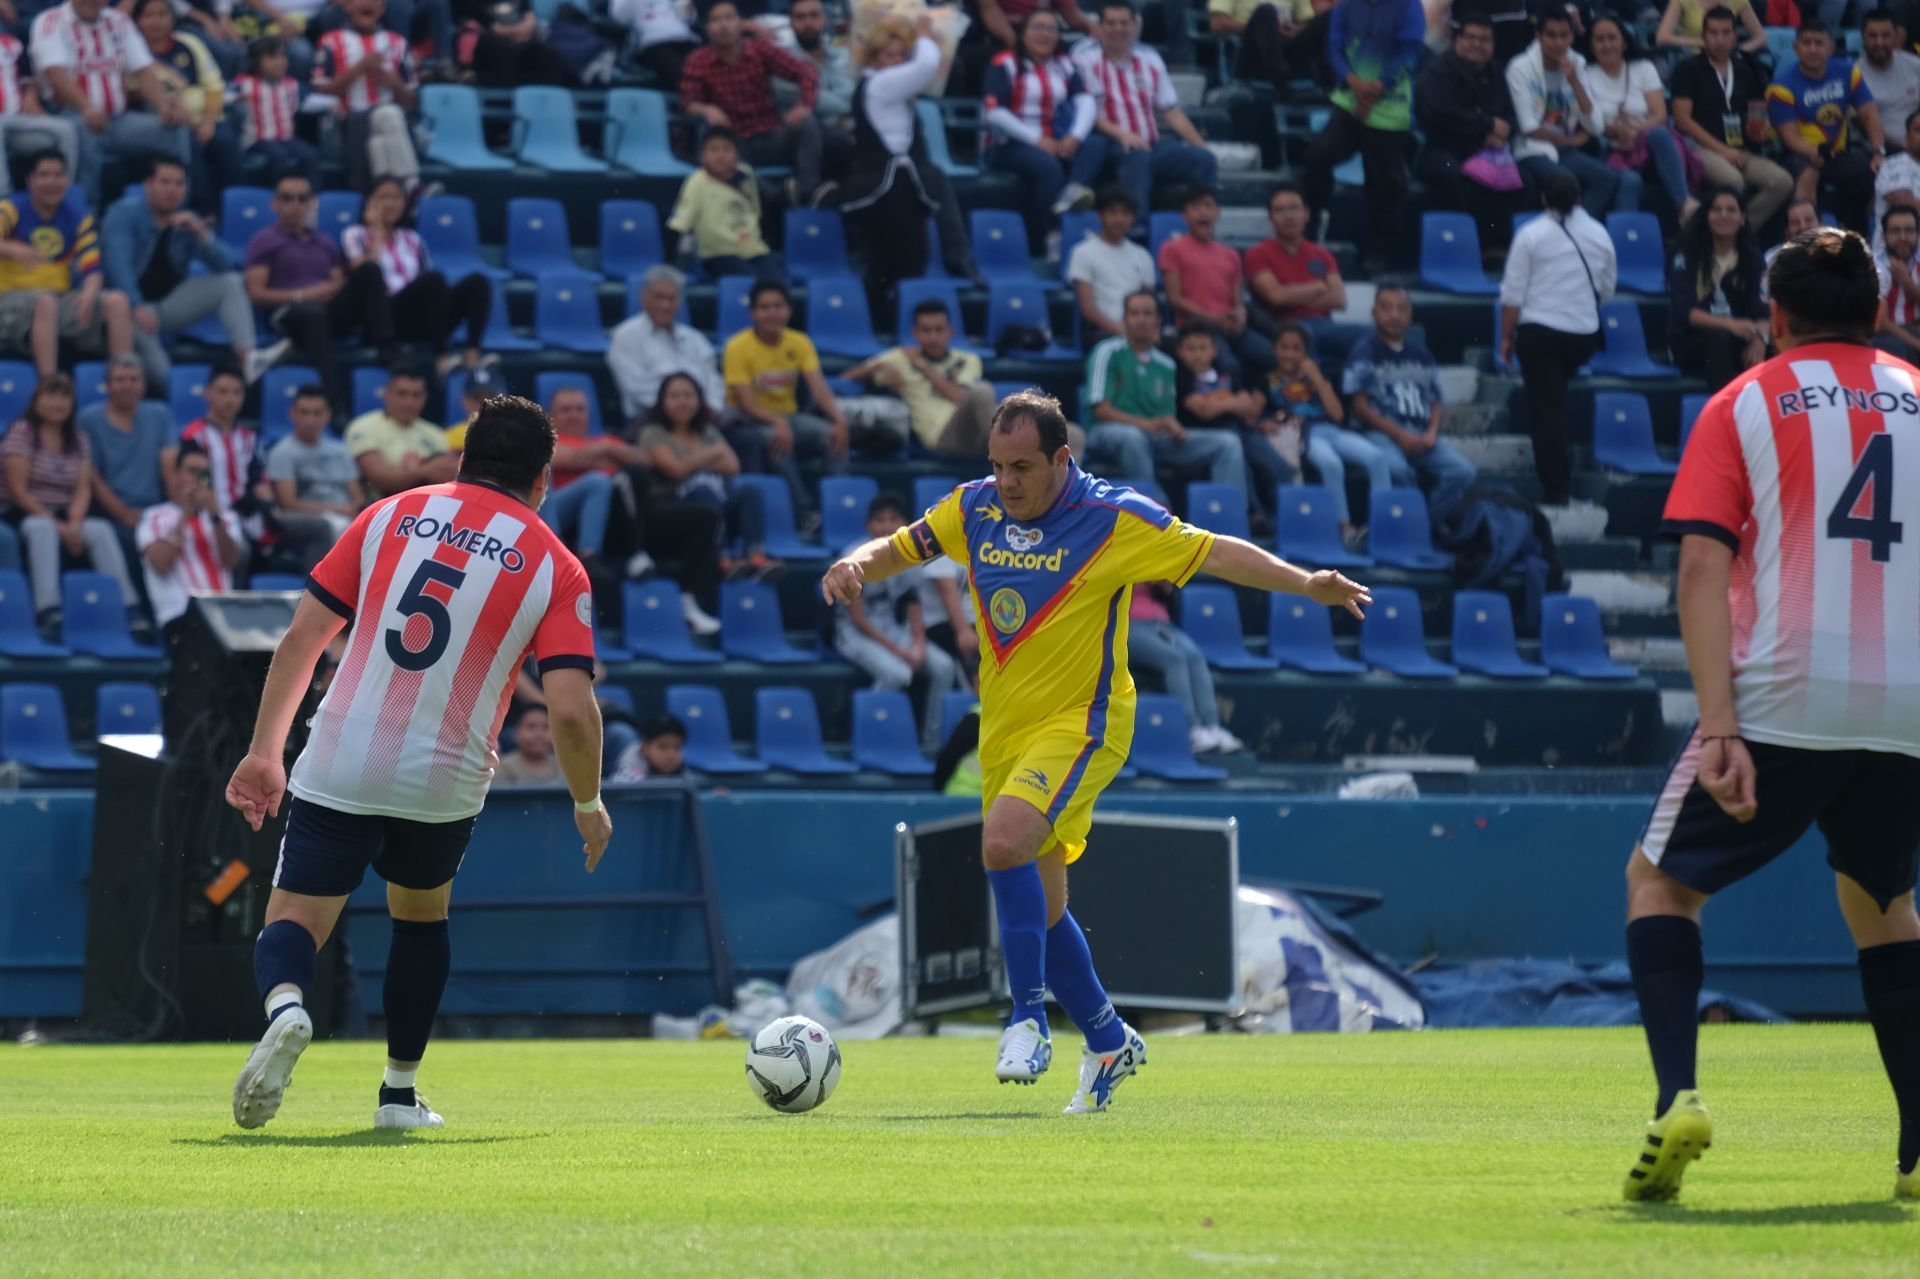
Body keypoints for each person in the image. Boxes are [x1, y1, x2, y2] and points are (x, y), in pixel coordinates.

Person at [820, 390, 1370, 1109]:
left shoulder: (1114, 519)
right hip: (1006, 733)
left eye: (1022, 466)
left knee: (1001, 841)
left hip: (1087, 721)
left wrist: (1305, 582)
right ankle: (1109, 1039)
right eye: (997, 464)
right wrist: (854, 562)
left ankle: (1026, 1020)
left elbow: (1214, 551)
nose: (1007, 481)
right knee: (1043, 906)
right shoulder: (974, 507)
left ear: (1061, 459)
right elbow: (903, 545)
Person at [1618, 225, 1920, 1205]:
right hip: (1906, 699)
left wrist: (1718, 724)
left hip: (1787, 687)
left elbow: (1704, 565)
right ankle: (1919, 1145)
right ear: (1880, 311)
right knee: (1884, 904)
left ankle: (1678, 1098)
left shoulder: (1743, 401)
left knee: (1660, 883)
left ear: (1775, 318)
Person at [224, 392, 611, 1132]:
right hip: (444, 780)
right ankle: (399, 1096)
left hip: (343, 754)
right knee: (421, 917)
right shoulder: (557, 567)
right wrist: (587, 801)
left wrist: (265, 751)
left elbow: (302, 639)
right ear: (543, 480)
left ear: (462, 459)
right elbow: (569, 707)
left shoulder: (386, 515)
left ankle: (287, 1008)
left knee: (296, 918)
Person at [104, 156, 283, 388]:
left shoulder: (186, 221)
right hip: (125, 309)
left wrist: (202, 234)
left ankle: (249, 358)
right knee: (163, 375)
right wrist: (136, 306)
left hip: (165, 307)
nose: (173, 190)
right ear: (148, 185)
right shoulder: (123, 214)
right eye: (165, 182)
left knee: (229, 283)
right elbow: (118, 269)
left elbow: (228, 265)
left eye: (179, 184)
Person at [1499, 171, 1618, 506]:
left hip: (1540, 335)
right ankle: (1560, 479)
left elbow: (1512, 296)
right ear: (1579, 197)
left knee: (1547, 412)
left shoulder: (1531, 234)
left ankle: (1557, 489)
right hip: (1583, 335)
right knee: (1554, 401)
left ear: (1543, 198)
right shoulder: (1599, 233)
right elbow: (1607, 289)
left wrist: (1506, 338)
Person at [1, 370, 140, 633]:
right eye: (51, 395)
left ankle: (128, 606)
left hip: (65, 512)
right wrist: (58, 526)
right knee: (42, 530)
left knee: (99, 529)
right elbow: (18, 491)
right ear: (36, 400)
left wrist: (74, 524)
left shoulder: (79, 438)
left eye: (64, 397)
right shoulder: (23, 431)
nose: (58, 403)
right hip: (21, 512)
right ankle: (48, 609)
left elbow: (82, 489)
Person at [245, 170, 394, 411]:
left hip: (327, 311)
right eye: (287, 198)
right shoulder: (264, 240)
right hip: (289, 313)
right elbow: (256, 293)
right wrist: (304, 295)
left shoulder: (324, 242)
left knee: (368, 270)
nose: (295, 205)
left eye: (302, 199)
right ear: (275, 203)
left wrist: (334, 289)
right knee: (313, 312)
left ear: (312, 203)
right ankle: (333, 403)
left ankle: (387, 349)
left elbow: (337, 282)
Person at [1068, 0, 1217, 234]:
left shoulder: (1150, 58)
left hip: (1150, 145)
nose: (1118, 29)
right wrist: (1124, 135)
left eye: (1124, 23)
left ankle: (1199, 229)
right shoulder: (1084, 57)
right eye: (1111, 23)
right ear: (1099, 26)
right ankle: (1138, 228)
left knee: (1203, 160)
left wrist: (1202, 146)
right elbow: (1089, 112)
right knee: (1136, 154)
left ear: (1135, 26)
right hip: (1108, 145)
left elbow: (1171, 111)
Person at [1087, 290, 1249, 494]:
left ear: (1158, 320)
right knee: (1132, 437)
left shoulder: (1166, 364)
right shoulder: (1107, 351)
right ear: (1124, 318)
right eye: (1135, 314)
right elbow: (1101, 411)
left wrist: (1170, 424)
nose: (1141, 320)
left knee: (1227, 442)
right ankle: (1157, 513)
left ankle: (1227, 517)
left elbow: (1164, 414)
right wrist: (1149, 425)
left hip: (1155, 437)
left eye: (1147, 314)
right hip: (1108, 433)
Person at [838, 15, 945, 321]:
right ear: (874, 58)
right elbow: (926, 66)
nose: (898, 62)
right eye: (890, 54)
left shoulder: (888, 87)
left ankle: (890, 324)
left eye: (902, 55)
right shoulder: (880, 84)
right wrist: (924, 34)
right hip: (886, 187)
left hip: (897, 183)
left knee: (895, 262)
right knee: (903, 261)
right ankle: (886, 325)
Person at [1302, 0, 1423, 271]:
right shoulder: (1346, 5)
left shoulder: (1408, 6)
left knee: (1385, 183)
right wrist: (1354, 83)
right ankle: (1313, 225)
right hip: (1349, 101)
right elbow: (1334, 47)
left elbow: (1411, 52)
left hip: (1390, 108)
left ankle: (1379, 253)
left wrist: (1379, 86)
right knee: (1318, 154)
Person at [29, 0, 191, 202]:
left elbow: (143, 70)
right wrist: (87, 108)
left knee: (173, 131)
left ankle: (180, 212)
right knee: (86, 131)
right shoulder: (50, 21)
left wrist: (163, 107)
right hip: (68, 115)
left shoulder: (118, 21)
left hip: (118, 120)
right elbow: (54, 72)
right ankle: (88, 218)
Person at [832, 493, 958, 751]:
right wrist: (900, 651)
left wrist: (919, 643)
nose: (887, 525)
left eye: (893, 519)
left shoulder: (907, 554)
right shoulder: (853, 557)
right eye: (880, 520)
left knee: (944, 667)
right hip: (854, 632)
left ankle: (931, 746)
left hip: (892, 628)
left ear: (904, 524)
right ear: (868, 526)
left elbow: (912, 603)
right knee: (896, 673)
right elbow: (857, 618)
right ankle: (868, 741)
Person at [1343, 284, 1478, 523]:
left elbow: (1435, 401)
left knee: (1463, 472)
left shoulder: (1421, 354)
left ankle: (1424, 523)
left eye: (1401, 309)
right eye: (1386, 308)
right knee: (1397, 470)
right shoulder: (1364, 351)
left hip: (1421, 435)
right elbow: (1360, 407)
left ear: (1410, 315)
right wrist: (1400, 435)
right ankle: (1409, 525)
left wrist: (1431, 433)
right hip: (1379, 434)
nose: (1394, 315)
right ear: (1374, 313)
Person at [630, 369, 752, 633]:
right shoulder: (653, 432)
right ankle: (706, 577)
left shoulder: (706, 430)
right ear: (662, 401)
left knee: (749, 491)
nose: (682, 401)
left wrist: (694, 459)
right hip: (662, 510)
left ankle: (756, 556)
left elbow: (733, 465)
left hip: (705, 502)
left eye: (689, 395)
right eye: (675, 396)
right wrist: (711, 454)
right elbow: (675, 469)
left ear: (699, 400)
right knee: (706, 507)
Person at [720, 279, 848, 527]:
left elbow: (818, 387)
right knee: (776, 441)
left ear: (788, 310)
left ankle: (838, 510)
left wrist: (839, 419)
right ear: (753, 312)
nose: (772, 313)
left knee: (832, 435)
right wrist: (777, 422)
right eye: (765, 307)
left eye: (778, 306)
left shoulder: (799, 342)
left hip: (789, 416)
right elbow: (745, 402)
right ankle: (804, 514)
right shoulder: (737, 347)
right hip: (748, 419)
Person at [0, 150, 134, 378]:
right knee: (46, 302)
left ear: (67, 180)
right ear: (30, 180)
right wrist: (11, 248)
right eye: (44, 175)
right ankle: (49, 385)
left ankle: (124, 379)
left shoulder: (78, 217)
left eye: (58, 175)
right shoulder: (11, 208)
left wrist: (90, 292)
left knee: (117, 302)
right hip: (9, 301)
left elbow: (93, 267)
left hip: (56, 300)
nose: (52, 182)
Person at [342, 176, 491, 380]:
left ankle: (473, 359)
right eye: (383, 197)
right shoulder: (355, 234)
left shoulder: (413, 238)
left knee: (477, 282)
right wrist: (376, 230)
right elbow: (366, 272)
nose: (390, 203)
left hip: (420, 315)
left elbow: (427, 284)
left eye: (396, 197)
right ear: (369, 203)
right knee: (433, 280)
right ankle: (442, 358)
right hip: (385, 316)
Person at [678, 0, 825, 205]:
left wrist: (804, 105)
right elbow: (687, 102)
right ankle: (778, 197)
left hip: (772, 135)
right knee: (719, 153)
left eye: (729, 18)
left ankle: (809, 191)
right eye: (716, 20)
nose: (723, 25)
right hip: (735, 142)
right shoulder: (698, 60)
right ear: (708, 29)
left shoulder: (760, 50)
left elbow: (806, 72)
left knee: (807, 124)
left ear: (740, 23)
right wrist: (706, 109)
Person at [1669, 6, 1794, 234]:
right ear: (1703, 37)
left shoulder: (1747, 68)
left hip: (1741, 149)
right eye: (1713, 33)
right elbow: (1682, 120)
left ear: (1735, 36)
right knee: (1732, 181)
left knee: (1782, 181)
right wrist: (1724, 151)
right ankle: (1714, 232)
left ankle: (1739, 231)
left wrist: (1760, 128)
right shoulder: (1688, 69)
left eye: (1726, 32)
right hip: (1701, 147)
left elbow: (1758, 110)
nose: (1720, 39)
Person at [983, 12, 1095, 256]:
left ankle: (1073, 191)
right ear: (1023, 33)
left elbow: (1086, 101)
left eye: (1051, 29)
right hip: (1009, 144)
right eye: (1038, 27)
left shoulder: (1064, 64)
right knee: (1048, 166)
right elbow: (994, 113)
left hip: (1057, 138)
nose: (1044, 34)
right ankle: (1053, 237)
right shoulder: (1005, 62)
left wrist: (1074, 136)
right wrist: (1036, 140)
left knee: (1097, 144)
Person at [1413, 15, 1528, 254]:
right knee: (1453, 175)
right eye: (1471, 38)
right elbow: (1439, 115)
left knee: (1524, 178)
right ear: (1457, 40)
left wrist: (1502, 132)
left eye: (1484, 40)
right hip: (1441, 148)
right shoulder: (1438, 71)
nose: (1477, 44)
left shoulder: (1496, 72)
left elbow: (1509, 116)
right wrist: (1486, 126)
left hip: (1486, 150)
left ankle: (1501, 248)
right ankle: (1464, 249)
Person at [1266, 321, 1390, 542]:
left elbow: (1338, 415)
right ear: (1274, 349)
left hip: (1331, 430)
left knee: (1377, 457)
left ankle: (1384, 527)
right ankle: (1344, 529)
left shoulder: (1318, 378)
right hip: (1304, 434)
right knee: (1331, 463)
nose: (1290, 354)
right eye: (1284, 348)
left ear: (1306, 354)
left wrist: (1318, 379)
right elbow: (1260, 413)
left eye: (1297, 349)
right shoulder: (1268, 379)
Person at [1768, 21, 1886, 235]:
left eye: (1819, 43)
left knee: (1872, 172)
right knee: (1807, 175)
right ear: (1796, 48)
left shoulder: (1848, 72)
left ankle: (1862, 238)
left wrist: (1879, 151)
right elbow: (1789, 136)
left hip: (1837, 153)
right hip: (1799, 154)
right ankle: (1805, 241)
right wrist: (1816, 154)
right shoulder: (1781, 83)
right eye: (1806, 43)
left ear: (1831, 47)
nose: (1813, 48)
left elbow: (1869, 114)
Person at [1508, 9, 1623, 219]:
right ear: (1539, 36)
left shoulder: (1576, 63)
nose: (1558, 42)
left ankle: (1576, 230)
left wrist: (1574, 82)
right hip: (1532, 150)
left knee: (1606, 177)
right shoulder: (1519, 68)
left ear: (1572, 36)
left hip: (1565, 150)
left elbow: (1595, 125)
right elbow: (1528, 127)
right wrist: (1569, 141)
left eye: (1564, 35)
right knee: (1565, 179)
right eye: (1551, 35)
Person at [1174, 322, 1290, 529]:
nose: (1197, 354)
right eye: (1191, 349)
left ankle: (1284, 522)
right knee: (1240, 461)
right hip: (1211, 434)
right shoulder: (1181, 376)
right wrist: (1230, 402)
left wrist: (1219, 403)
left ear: (1214, 350)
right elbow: (1203, 410)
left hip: (1243, 429)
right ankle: (1250, 515)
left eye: (1203, 348)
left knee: (1276, 465)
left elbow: (1248, 406)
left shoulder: (1225, 371)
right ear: (1180, 351)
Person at [846, 298, 996, 456]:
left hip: (973, 429)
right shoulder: (901, 358)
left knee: (1009, 404)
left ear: (950, 331)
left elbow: (960, 397)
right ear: (915, 332)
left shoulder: (968, 359)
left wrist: (923, 366)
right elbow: (847, 377)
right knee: (983, 390)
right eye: (926, 330)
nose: (933, 337)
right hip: (941, 437)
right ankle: (1004, 449)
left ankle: (1004, 448)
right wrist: (879, 366)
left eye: (939, 330)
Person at [132, 0, 239, 218]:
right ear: (138, 21)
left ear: (172, 18)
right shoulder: (134, 52)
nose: (156, 21)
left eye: (162, 14)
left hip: (206, 119)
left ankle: (234, 213)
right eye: (149, 16)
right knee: (188, 144)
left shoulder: (190, 43)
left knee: (226, 140)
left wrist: (208, 123)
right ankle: (204, 212)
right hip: (167, 122)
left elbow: (214, 86)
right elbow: (133, 91)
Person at [1586, 16, 1694, 221]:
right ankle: (1622, 241)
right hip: (1609, 144)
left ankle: (1684, 205)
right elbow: (1590, 120)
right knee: (1631, 181)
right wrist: (1616, 131)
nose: (1607, 44)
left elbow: (1660, 114)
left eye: (1612, 38)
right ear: (1591, 46)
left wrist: (1636, 130)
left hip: (1646, 139)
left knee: (1660, 134)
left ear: (1624, 42)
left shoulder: (1643, 67)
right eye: (1600, 39)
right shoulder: (1585, 74)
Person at [1159, 185, 1271, 379]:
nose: (1203, 212)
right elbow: (1174, 298)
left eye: (1208, 206)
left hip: (1230, 327)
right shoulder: (1172, 249)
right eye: (1195, 207)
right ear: (1184, 215)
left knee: (1270, 355)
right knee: (1229, 365)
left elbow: (1238, 300)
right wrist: (1212, 319)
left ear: (1218, 212)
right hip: (1197, 329)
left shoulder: (1230, 254)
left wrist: (1240, 317)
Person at [1243, 182, 1365, 358]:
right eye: (1280, 210)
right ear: (1270, 218)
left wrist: (1290, 297)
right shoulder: (1257, 254)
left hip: (1325, 324)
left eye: (1294, 208)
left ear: (1306, 214)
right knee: (1302, 336)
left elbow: (1339, 299)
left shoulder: (1321, 253)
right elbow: (1276, 297)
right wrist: (1318, 288)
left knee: (1372, 336)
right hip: (1285, 326)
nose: (1288, 216)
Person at [137, 437, 241, 641]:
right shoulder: (153, 517)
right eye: (191, 471)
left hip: (223, 617)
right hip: (179, 619)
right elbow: (161, 564)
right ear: (175, 476)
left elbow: (231, 560)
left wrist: (214, 516)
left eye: (204, 474)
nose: (197, 479)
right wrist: (186, 513)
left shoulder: (225, 517)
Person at [314, 0, 421, 195]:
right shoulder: (330, 40)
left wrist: (392, 81)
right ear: (348, 7)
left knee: (379, 140)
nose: (367, 3)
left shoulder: (398, 42)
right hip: (347, 122)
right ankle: (411, 185)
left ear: (382, 9)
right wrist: (360, 68)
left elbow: (411, 101)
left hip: (390, 125)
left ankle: (380, 194)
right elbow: (321, 92)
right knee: (388, 114)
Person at [79, 350, 175, 560]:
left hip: (155, 510)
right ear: (108, 385)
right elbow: (91, 475)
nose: (127, 385)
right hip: (109, 513)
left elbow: (170, 465)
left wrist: (171, 511)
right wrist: (122, 514)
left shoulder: (160, 414)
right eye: (120, 380)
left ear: (144, 385)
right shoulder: (88, 420)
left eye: (134, 379)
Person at [1669, 187, 1768, 389]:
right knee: (1719, 337)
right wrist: (1729, 325)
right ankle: (1725, 410)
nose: (1723, 215)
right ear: (1706, 216)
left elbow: (1763, 312)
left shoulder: (1753, 258)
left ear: (1742, 218)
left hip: (1739, 335)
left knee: (1776, 343)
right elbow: (1685, 312)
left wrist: (1760, 339)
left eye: (1731, 210)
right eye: (1716, 209)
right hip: (1692, 340)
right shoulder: (1686, 255)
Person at [1129, 580, 1242, 753]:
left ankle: (1212, 726)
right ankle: (1191, 728)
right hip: (1129, 626)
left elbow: (1168, 591)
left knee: (1195, 656)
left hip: (1162, 624)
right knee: (1174, 659)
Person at [607, 264, 724, 425]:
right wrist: (683, 409)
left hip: (701, 419)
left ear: (680, 301)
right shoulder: (626, 336)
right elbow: (636, 389)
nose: (665, 305)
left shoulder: (695, 339)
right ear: (643, 298)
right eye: (659, 297)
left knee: (747, 435)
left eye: (671, 298)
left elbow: (713, 382)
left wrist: (710, 408)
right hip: (652, 420)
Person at [267, 383, 363, 568]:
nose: (311, 420)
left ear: (328, 415)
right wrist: (337, 509)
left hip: (344, 515)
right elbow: (288, 503)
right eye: (304, 412)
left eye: (317, 413)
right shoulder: (282, 452)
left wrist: (354, 510)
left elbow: (356, 494)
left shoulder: (340, 450)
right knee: (335, 527)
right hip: (310, 518)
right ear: (292, 414)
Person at [668, 128, 781, 282]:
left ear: (737, 155)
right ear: (702, 155)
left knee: (777, 284)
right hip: (718, 254)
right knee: (751, 283)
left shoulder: (746, 174)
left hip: (755, 249)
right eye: (713, 149)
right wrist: (668, 262)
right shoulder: (696, 181)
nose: (720, 155)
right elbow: (678, 225)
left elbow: (756, 213)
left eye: (727, 149)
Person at [541, 384, 622, 580]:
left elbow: (642, 459)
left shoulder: (604, 441)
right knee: (542, 471)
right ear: (551, 416)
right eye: (566, 410)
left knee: (600, 482)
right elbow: (567, 458)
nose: (573, 415)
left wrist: (605, 447)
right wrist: (607, 453)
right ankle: (555, 555)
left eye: (579, 409)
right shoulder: (544, 440)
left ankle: (588, 556)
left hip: (596, 514)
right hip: (549, 510)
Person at [1065, 185, 1155, 347]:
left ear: (1132, 219)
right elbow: (1087, 308)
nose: (1119, 219)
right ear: (1101, 216)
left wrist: (1147, 331)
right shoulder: (1083, 252)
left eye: (1125, 213)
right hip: (1102, 330)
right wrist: (1122, 331)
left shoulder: (1142, 255)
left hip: (1138, 328)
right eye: (1113, 212)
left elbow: (1149, 300)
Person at [345, 365, 452, 499]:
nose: (409, 402)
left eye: (416, 395)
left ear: (425, 397)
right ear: (386, 393)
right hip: (382, 509)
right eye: (402, 394)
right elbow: (379, 479)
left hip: (430, 507)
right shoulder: (363, 427)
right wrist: (425, 471)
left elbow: (449, 477)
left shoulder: (435, 433)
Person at [231, 37, 318, 183]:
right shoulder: (245, 83)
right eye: (272, 57)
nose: (280, 62)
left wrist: (334, 103)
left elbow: (311, 101)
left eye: (283, 56)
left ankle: (311, 198)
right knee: (279, 156)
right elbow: (226, 96)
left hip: (287, 138)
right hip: (258, 140)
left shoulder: (291, 85)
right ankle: (277, 198)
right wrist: (234, 100)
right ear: (255, 61)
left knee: (311, 155)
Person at [455, 0, 571, 88]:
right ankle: (504, 105)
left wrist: (524, 31)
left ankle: (546, 104)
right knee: (508, 50)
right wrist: (516, 33)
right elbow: (489, 26)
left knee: (550, 55)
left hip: (521, 36)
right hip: (483, 39)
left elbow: (530, 17)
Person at [610, 0, 697, 89]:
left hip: (684, 38)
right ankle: (694, 94)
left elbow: (689, 19)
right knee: (682, 76)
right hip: (652, 43)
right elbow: (619, 17)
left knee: (704, 63)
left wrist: (687, 7)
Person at [1861, 9, 1920, 140]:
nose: (1879, 42)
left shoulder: (1915, 65)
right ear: (1863, 37)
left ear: (1895, 36)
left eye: (1886, 35)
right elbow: (1863, 127)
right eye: (1872, 36)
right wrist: (1905, 149)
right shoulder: (1854, 75)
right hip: (1879, 151)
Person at [1874, 205, 1920, 356]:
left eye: (1909, 230)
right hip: (1890, 335)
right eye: (1895, 231)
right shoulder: (1877, 267)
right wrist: (1917, 344)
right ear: (1884, 237)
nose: (1903, 237)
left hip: (1916, 327)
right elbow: (1881, 323)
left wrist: (1906, 282)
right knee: (1897, 348)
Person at [1876, 109, 1920, 252]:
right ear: (1907, 137)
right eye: (1918, 130)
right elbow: (1909, 208)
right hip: (1893, 255)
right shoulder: (1892, 165)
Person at [1653, 0, 1765, 53]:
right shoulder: (1681, 1)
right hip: (1694, 60)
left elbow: (1761, 38)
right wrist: (1703, 43)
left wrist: (1738, 51)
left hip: (1730, 59)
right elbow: (1662, 38)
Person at [496, 704, 562, 784]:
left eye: (546, 727)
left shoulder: (565, 768)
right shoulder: (504, 768)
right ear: (516, 733)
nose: (539, 734)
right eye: (531, 727)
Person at [609, 712, 686, 782]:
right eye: (663, 747)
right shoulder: (626, 779)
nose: (671, 755)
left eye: (677, 748)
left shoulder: (686, 778)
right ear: (645, 747)